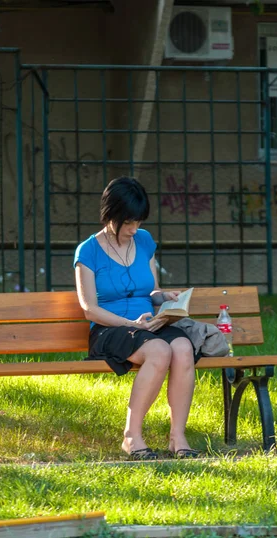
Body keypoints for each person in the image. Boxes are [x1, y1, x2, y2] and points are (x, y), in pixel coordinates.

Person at [74, 176, 200, 461]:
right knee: (159, 349)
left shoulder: (144, 242)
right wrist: (132, 324)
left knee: (182, 347)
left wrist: (163, 297)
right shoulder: (88, 252)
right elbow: (89, 309)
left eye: (138, 222)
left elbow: (151, 290)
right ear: (111, 215)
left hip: (148, 325)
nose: (134, 229)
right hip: (109, 329)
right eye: (128, 223)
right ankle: (132, 437)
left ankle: (177, 436)